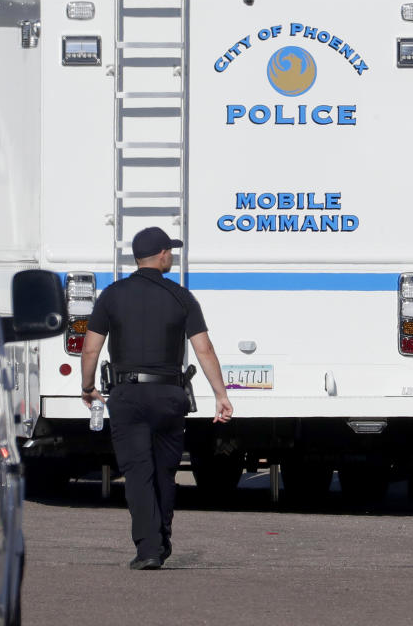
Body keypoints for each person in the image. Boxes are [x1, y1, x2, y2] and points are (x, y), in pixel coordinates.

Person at [80, 226, 234, 570]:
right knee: (165, 471)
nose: (172, 256)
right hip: (169, 395)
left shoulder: (112, 295)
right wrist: (220, 395)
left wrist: (87, 386)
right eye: (170, 251)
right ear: (162, 254)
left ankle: (150, 547)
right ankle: (161, 537)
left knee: (137, 472)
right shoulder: (182, 297)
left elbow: (91, 347)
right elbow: (204, 349)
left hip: (128, 394)